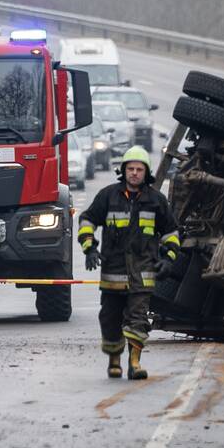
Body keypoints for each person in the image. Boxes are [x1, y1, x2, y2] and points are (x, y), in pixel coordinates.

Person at [78, 146, 180, 380]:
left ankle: (135, 363)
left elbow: (172, 232)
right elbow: (87, 220)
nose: (134, 173)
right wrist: (89, 247)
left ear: (146, 173)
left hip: (143, 273)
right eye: (130, 169)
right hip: (113, 274)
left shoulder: (156, 200)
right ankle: (114, 360)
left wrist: (168, 259)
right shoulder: (108, 196)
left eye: (139, 169)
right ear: (123, 171)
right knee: (110, 320)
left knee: (138, 319)